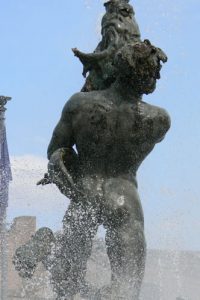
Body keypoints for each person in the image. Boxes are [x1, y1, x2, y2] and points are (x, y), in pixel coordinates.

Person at [43, 40, 170, 299]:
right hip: (124, 201)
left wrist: (63, 169)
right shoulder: (159, 120)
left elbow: (56, 150)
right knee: (125, 290)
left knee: (65, 287)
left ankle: (46, 246)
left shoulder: (78, 104)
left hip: (85, 193)